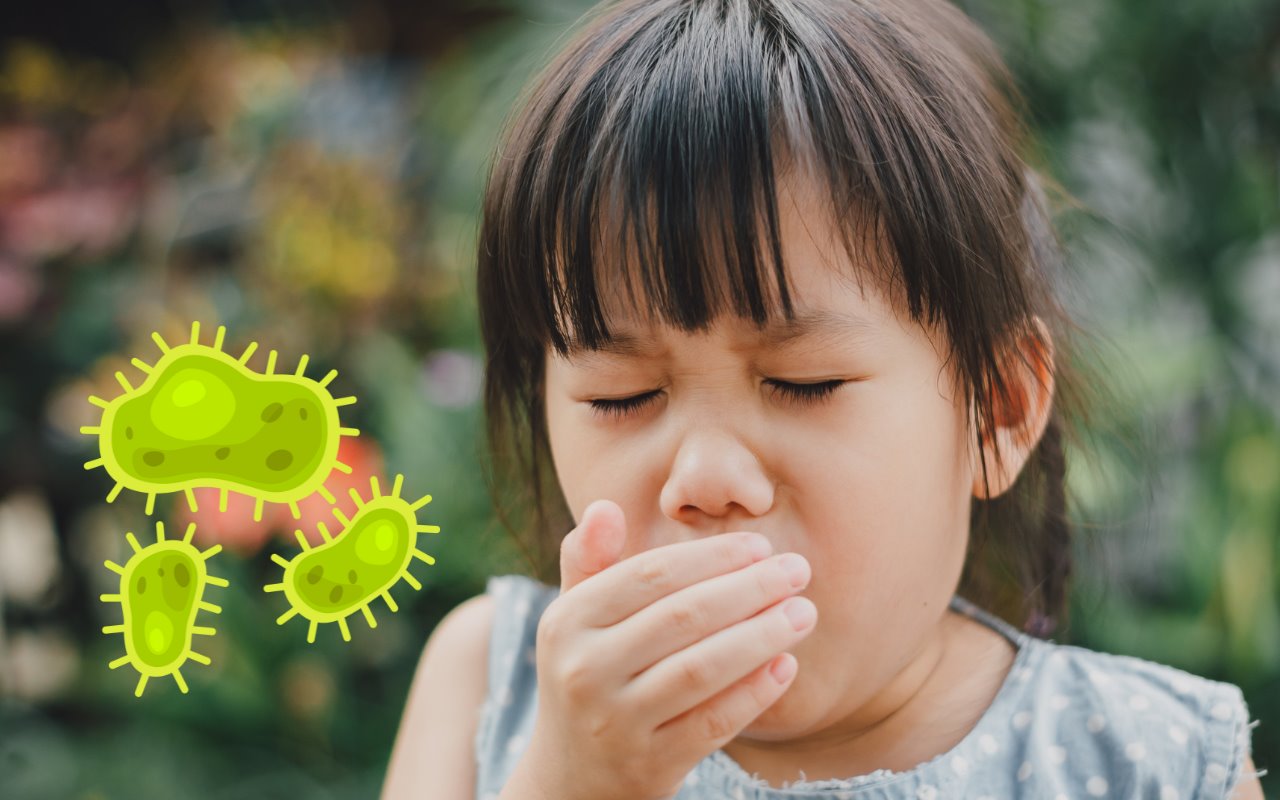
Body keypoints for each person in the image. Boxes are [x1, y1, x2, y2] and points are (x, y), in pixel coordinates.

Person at [382, 0, 1267, 797]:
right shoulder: (486, 683)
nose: (706, 475)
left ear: (996, 410)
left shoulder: (1153, 764)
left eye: (802, 383)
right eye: (623, 394)